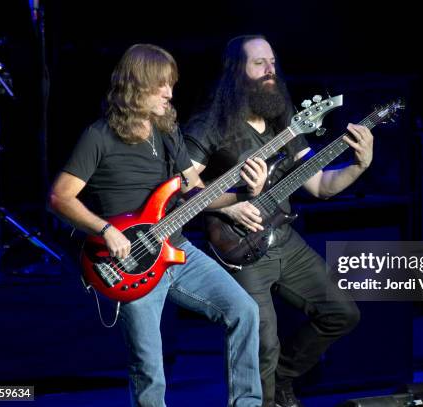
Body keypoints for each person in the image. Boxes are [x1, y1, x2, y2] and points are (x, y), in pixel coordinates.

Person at [48, 43, 267, 407]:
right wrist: (105, 230)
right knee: (150, 368)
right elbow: (59, 198)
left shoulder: (168, 132)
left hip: (177, 249)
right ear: (136, 87)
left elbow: (195, 193)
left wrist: (243, 192)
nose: (169, 93)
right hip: (130, 264)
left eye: (171, 84)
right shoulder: (99, 136)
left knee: (244, 311)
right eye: (161, 85)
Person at [184, 35, 373, 407]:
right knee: (263, 342)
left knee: (342, 313)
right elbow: (182, 190)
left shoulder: (284, 118)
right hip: (239, 244)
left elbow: (319, 185)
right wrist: (231, 205)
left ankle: (283, 378)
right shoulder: (210, 125)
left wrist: (358, 165)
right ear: (237, 72)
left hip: (283, 236)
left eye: (272, 62)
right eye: (259, 64)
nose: (271, 70)